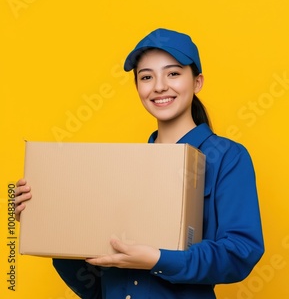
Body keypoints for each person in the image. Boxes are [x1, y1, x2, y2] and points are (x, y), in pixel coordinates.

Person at [14, 28, 265, 298]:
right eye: (147, 77)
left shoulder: (227, 157)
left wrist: (159, 260)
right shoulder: (123, 167)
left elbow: (240, 252)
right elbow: (95, 286)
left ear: (197, 82)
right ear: (138, 87)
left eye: (173, 73)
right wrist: (46, 223)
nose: (159, 86)